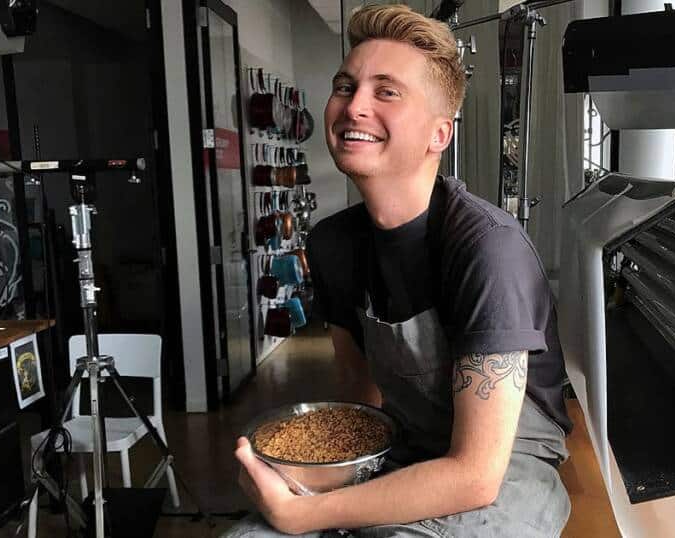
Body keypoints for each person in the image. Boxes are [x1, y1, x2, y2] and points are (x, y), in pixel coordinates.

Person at [226, 5, 572, 537]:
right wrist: (314, 475)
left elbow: (476, 476)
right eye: (345, 86)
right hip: (404, 447)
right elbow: (360, 410)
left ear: (440, 134)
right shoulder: (332, 243)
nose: (353, 106)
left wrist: (304, 515)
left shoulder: (485, 247)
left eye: (386, 92)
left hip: (507, 471)